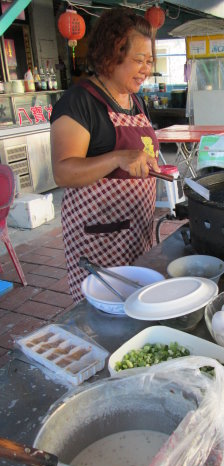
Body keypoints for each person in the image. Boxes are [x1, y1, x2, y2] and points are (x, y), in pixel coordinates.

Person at [50, 7, 160, 302]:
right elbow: (63, 171)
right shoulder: (80, 102)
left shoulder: (136, 101)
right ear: (111, 55)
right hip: (98, 239)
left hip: (136, 233)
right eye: (138, 60)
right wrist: (117, 157)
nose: (145, 69)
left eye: (149, 61)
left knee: (136, 303)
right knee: (102, 311)